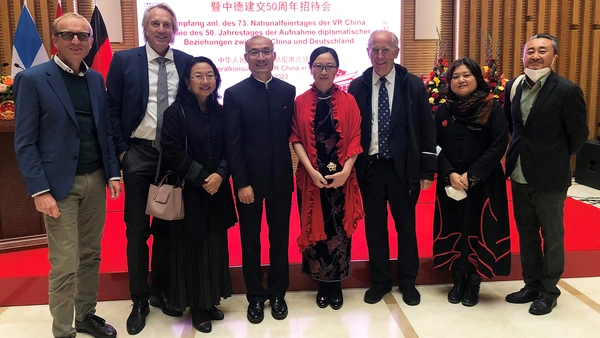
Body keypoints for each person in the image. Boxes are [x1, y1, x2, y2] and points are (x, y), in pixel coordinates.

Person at [13, 12, 120, 338]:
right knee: (64, 263)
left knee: (91, 255)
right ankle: (63, 331)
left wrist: (113, 174)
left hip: (96, 179)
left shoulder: (94, 79)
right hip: (59, 186)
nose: (76, 41)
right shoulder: (32, 79)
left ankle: (85, 316)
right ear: (55, 40)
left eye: (82, 36)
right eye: (68, 35)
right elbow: (25, 142)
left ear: (91, 41)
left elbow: (103, 133)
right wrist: (39, 190)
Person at [106, 3, 192, 334]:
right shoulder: (124, 60)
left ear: (174, 30)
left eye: (166, 24)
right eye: (154, 23)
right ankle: (139, 299)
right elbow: (112, 109)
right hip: (139, 154)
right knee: (137, 230)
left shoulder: (186, 62)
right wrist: (123, 153)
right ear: (145, 27)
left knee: (170, 227)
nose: (160, 29)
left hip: (174, 156)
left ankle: (162, 290)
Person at [348, 30, 436, 306]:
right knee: (375, 227)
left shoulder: (413, 84)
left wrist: (426, 170)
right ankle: (381, 280)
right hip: (371, 168)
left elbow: (426, 128)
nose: (380, 55)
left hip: (403, 169)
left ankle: (408, 280)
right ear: (367, 52)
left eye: (386, 50)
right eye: (375, 49)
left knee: (406, 227)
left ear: (396, 52)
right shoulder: (358, 86)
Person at [504, 33, 589, 315]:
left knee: (552, 237)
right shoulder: (514, 86)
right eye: (530, 51)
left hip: (551, 178)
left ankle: (549, 291)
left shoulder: (566, 90)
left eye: (543, 50)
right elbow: (512, 125)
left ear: (554, 56)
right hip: (519, 174)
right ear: (522, 56)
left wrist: (554, 158)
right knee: (527, 234)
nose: (535, 56)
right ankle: (531, 283)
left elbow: (578, 135)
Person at [160, 56, 237, 333]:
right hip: (189, 192)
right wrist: (203, 177)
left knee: (214, 246)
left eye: (210, 75)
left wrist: (221, 173)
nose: (205, 81)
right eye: (198, 76)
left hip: (217, 190)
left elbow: (232, 147)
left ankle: (210, 297)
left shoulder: (222, 112)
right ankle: (197, 306)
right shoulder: (176, 112)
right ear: (187, 82)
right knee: (191, 249)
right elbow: (171, 150)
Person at [223, 36, 296, 324]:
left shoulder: (287, 91)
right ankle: (255, 296)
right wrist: (241, 183)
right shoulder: (235, 93)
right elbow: (233, 143)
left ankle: (278, 293)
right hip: (248, 184)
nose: (261, 57)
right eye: (254, 52)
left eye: (266, 51)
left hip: (281, 181)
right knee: (250, 241)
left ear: (274, 56)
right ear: (246, 58)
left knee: (279, 240)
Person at [432, 57, 511, 307]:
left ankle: (474, 282)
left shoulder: (491, 107)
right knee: (455, 227)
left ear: (477, 78)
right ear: (449, 81)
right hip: (451, 182)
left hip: (484, 182)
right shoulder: (443, 110)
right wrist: (450, 174)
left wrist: (472, 175)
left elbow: (498, 144)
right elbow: (433, 145)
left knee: (479, 228)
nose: (461, 80)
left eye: (466, 75)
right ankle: (457, 279)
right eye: (455, 76)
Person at [291, 46, 364, 310]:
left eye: (329, 66)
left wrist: (346, 171)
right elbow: (295, 138)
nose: (324, 71)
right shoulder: (300, 101)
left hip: (342, 178)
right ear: (311, 68)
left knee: (340, 231)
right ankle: (322, 284)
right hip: (311, 178)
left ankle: (337, 285)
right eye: (319, 66)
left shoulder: (348, 100)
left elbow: (356, 137)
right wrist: (310, 169)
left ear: (337, 69)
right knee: (315, 228)